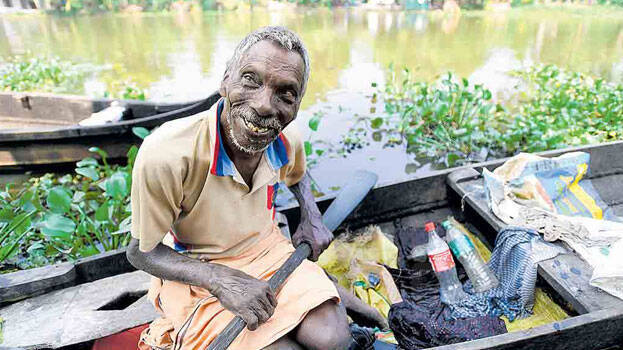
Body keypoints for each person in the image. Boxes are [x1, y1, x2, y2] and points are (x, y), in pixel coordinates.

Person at [126, 26, 355, 350]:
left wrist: (311, 214)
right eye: (251, 79)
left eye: (285, 94)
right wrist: (221, 280)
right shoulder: (167, 153)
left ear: (297, 105)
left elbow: (297, 174)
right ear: (225, 81)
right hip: (198, 270)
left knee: (333, 340)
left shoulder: (286, 138)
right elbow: (140, 252)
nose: (264, 105)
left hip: (268, 251)